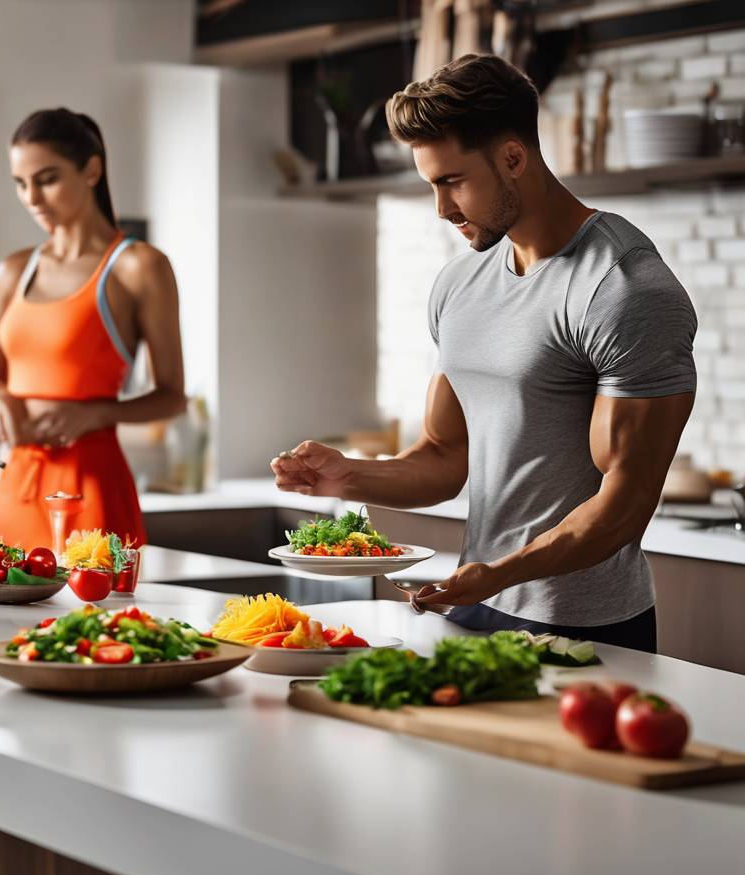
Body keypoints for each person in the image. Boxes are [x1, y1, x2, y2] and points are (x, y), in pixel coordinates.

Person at [271, 54, 697, 652]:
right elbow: (445, 455)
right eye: (431, 185)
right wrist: (348, 476)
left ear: (513, 158)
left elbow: (622, 506)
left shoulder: (622, 287)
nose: (442, 209)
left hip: (582, 625)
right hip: (473, 605)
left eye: (451, 182)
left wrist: (496, 574)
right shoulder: (460, 283)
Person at [0, 108, 186, 550]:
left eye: (47, 179)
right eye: (20, 183)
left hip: (91, 488)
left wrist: (98, 413)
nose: (32, 197)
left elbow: (172, 396)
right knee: (4, 615)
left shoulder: (138, 268)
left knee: (95, 619)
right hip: (17, 483)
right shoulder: (13, 271)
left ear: (91, 169)